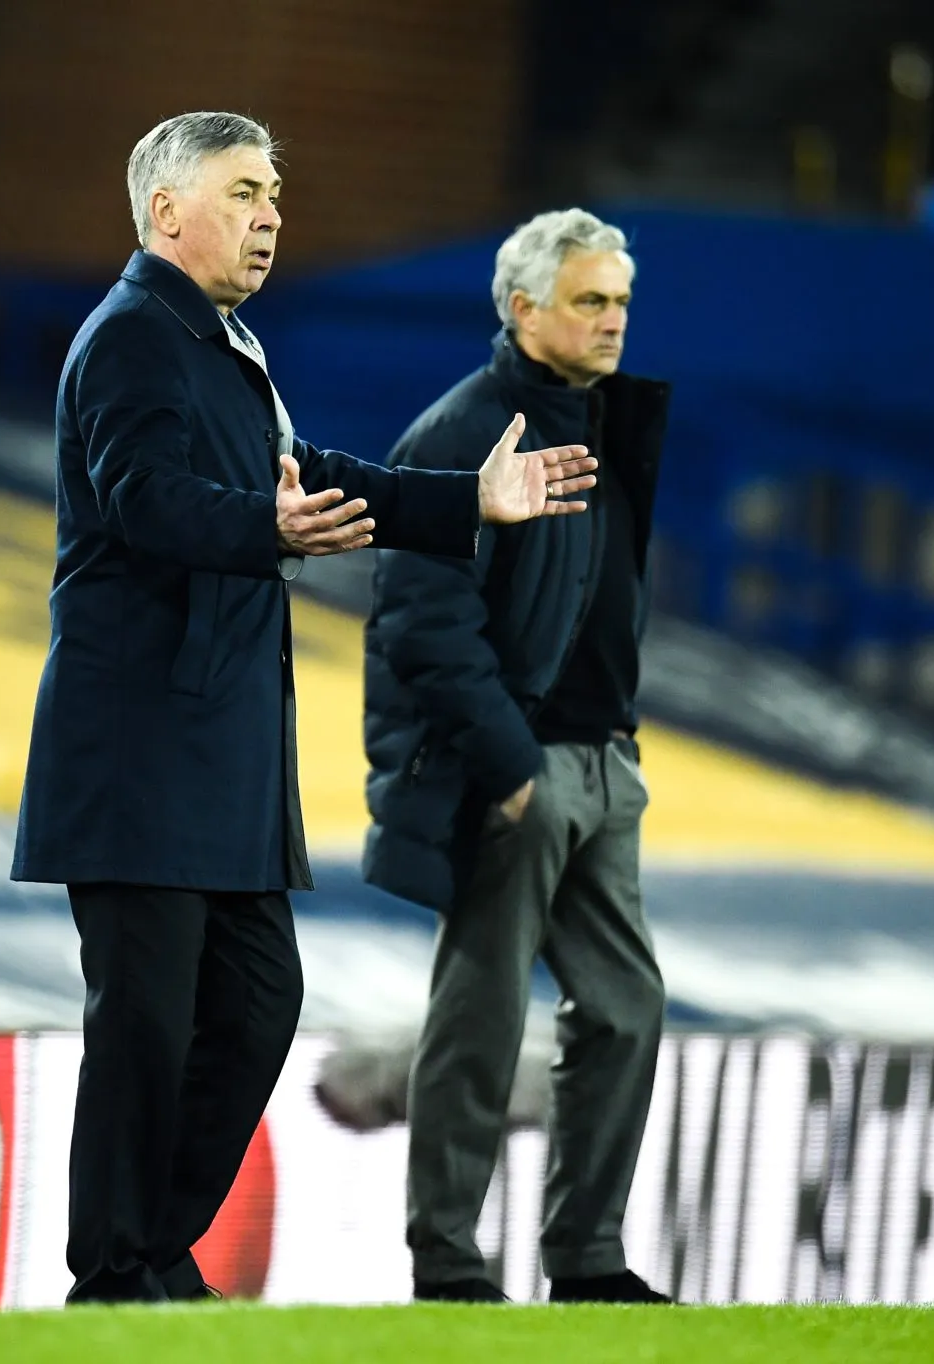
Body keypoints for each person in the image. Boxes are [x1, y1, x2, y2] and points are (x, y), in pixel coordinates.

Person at [9, 112, 599, 1305]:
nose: (272, 213)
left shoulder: (224, 344)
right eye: (242, 191)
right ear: (166, 211)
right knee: (145, 1024)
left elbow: (306, 476)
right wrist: (259, 527)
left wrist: (464, 501)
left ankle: (148, 1248)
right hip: (137, 747)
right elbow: (140, 497)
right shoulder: (129, 336)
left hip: (219, 750)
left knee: (256, 1001)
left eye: (275, 192)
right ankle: (116, 1270)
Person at [362, 209, 674, 1304]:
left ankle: (585, 1257)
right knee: (480, 1011)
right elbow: (419, 623)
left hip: (603, 762)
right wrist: (506, 766)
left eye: (620, 301)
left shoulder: (610, 422)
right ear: (520, 306)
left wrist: (607, 751)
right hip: (521, 769)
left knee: (627, 1006)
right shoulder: (459, 433)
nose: (611, 320)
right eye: (589, 300)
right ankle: (445, 1259)